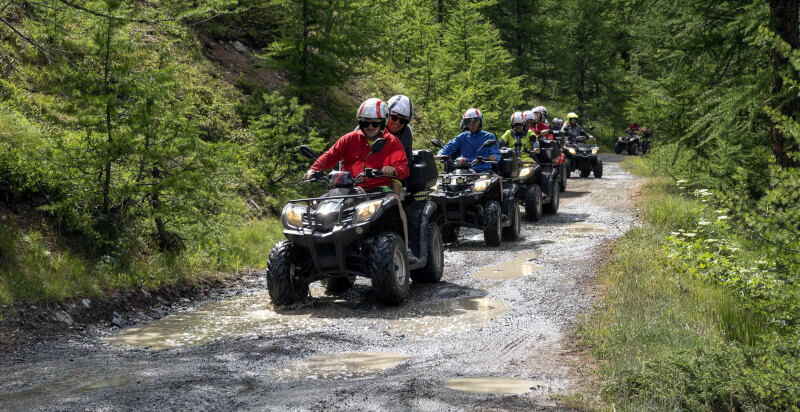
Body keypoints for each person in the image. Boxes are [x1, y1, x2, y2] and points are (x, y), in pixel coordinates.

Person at [305, 98, 409, 192]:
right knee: (318, 206)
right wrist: (313, 170)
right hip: (348, 189)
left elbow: (403, 168)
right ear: (360, 123)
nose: (370, 127)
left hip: (378, 189)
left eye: (375, 123)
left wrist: (393, 170)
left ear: (382, 123)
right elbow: (330, 156)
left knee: (393, 200)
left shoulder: (392, 142)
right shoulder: (349, 138)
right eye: (365, 123)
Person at [437, 108, 500, 173]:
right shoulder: (462, 136)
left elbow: (497, 155)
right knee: (446, 181)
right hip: (464, 171)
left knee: (496, 179)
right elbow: (448, 147)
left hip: (484, 171)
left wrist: (492, 157)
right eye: (469, 123)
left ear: (480, 122)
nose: (472, 125)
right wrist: (440, 155)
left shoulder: (489, 137)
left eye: (475, 122)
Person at [386, 95, 415, 162]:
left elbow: (407, 160)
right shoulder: (371, 126)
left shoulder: (406, 132)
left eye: (403, 121)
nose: (397, 123)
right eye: (394, 118)